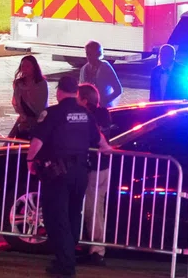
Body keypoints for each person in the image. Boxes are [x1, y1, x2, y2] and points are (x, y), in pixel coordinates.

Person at [27, 75, 115, 277]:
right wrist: (110, 149)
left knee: (57, 218)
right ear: (76, 92)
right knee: (73, 215)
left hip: (58, 173)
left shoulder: (52, 113)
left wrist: (30, 161)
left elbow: (38, 141)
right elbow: (101, 142)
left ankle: (66, 265)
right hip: (80, 173)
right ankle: (66, 258)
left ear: (58, 91)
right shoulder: (85, 114)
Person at [78, 83, 113, 267]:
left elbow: (93, 137)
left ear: (84, 100)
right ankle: (93, 247)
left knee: (93, 209)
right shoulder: (103, 113)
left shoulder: (90, 116)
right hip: (102, 167)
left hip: (96, 167)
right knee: (95, 208)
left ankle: (96, 250)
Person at [9, 55, 49, 139]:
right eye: (23, 66)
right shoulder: (18, 83)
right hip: (24, 118)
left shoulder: (41, 83)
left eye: (28, 66)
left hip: (38, 119)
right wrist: (23, 116)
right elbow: (16, 103)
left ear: (34, 67)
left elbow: (41, 106)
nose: (24, 69)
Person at [79, 41, 123, 107]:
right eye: (87, 54)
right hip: (88, 108)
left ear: (98, 54)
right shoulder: (84, 69)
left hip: (104, 108)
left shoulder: (105, 67)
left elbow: (118, 90)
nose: (88, 57)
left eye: (91, 54)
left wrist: (103, 101)